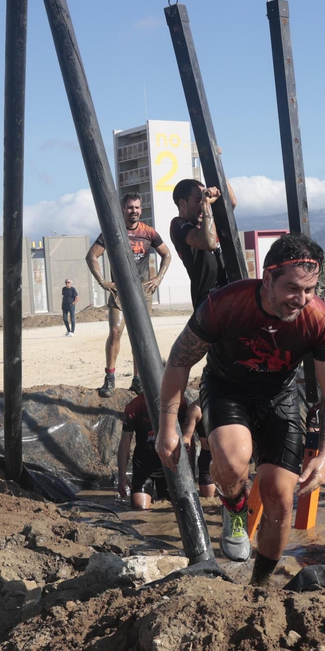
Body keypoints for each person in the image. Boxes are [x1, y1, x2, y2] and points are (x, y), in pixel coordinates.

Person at [154, 233, 325, 585]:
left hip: (280, 395)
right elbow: (179, 361)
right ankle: (235, 507)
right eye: (292, 289)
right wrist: (168, 426)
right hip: (227, 388)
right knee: (232, 459)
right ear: (267, 277)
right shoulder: (226, 303)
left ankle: (258, 586)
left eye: (310, 290)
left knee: (281, 497)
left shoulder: (321, 320)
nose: (301, 300)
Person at [87, 192, 172, 397]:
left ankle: (138, 379)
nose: (133, 211)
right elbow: (91, 256)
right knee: (116, 333)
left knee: (140, 337)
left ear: (141, 210)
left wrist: (159, 278)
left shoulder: (149, 232)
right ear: (123, 210)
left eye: (137, 207)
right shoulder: (113, 230)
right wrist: (102, 281)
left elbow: (167, 254)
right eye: (129, 207)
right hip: (120, 291)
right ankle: (110, 378)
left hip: (143, 291)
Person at [119, 389, 207, 509]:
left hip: (170, 466)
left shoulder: (178, 403)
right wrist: (122, 475)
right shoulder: (134, 406)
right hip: (144, 468)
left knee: (174, 508)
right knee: (140, 507)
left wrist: (190, 471)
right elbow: (125, 442)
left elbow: (187, 439)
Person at [170, 178, 233, 308]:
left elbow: (230, 203)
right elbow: (209, 243)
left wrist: (220, 175)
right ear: (183, 203)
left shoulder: (207, 219)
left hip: (227, 289)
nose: (202, 204)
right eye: (198, 200)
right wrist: (206, 205)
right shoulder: (179, 224)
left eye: (203, 199)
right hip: (208, 298)